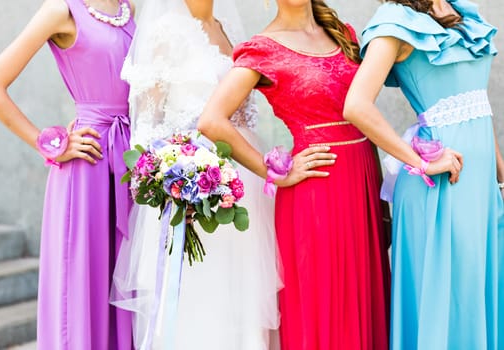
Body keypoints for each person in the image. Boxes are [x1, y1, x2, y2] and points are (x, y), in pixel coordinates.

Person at [197, 0, 392, 349]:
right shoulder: (264, 49)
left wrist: (378, 195)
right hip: (317, 190)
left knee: (363, 295)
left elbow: (364, 116)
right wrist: (271, 171)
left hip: (362, 180)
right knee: (326, 302)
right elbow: (211, 120)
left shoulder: (342, 33)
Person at [109, 1, 283, 349]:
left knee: (240, 296)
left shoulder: (228, 28)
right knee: (197, 294)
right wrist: (174, 179)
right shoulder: (164, 32)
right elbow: (146, 127)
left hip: (242, 182)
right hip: (191, 187)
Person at [343, 0, 503, 348]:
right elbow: (356, 105)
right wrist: (422, 162)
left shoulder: (467, 14)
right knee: (450, 297)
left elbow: (479, 104)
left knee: (478, 290)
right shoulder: (395, 21)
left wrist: (500, 176)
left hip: (482, 188)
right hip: (441, 186)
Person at [0, 0, 135, 348]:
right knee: (82, 286)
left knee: (121, 287)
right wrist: (47, 142)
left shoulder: (129, 8)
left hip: (129, 163)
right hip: (88, 167)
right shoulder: (61, 9)